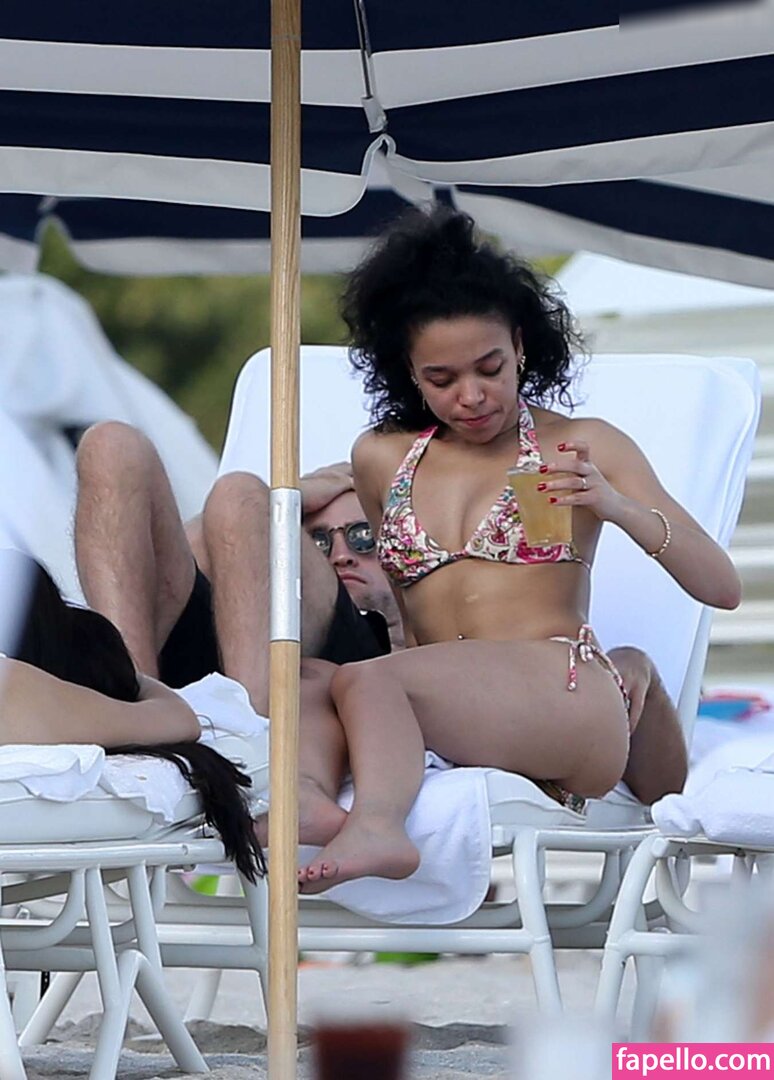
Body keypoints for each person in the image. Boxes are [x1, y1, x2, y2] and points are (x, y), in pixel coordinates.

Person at [295, 205, 740, 893]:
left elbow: (722, 587)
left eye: (490, 367)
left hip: (561, 693)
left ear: (522, 347)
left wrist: (614, 506)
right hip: (449, 699)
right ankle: (309, 801)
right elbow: (408, 617)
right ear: (408, 371)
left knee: (369, 680)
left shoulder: (580, 444)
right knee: (309, 679)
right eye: (442, 379)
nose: (471, 396)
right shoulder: (382, 457)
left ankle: (379, 825)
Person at [74, 427, 397, 717]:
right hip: (201, 667)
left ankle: (253, 724)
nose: (341, 556)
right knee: (110, 445)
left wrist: (265, 501)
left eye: (363, 536)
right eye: (318, 541)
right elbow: (204, 540)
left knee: (238, 491)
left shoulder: (414, 615)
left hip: (348, 660)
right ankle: (132, 699)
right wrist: (291, 493)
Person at [0, 548, 264, 881]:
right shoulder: (22, 693)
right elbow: (178, 718)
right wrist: (138, 681)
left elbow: (181, 720)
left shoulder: (18, 691)